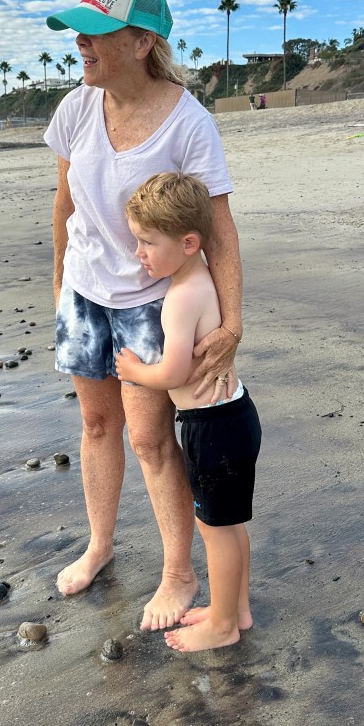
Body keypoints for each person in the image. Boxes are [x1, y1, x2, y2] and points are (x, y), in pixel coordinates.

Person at [43, 0, 243, 631]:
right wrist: (58, 283)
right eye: (79, 32)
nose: (81, 43)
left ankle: (179, 572)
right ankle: (99, 545)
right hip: (84, 290)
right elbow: (65, 204)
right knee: (97, 425)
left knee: (150, 439)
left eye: (96, 32)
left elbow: (218, 229)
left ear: (141, 42)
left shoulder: (189, 123)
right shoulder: (76, 108)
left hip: (150, 300)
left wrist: (233, 323)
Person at [116, 173, 260, 653]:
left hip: (211, 429)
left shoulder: (180, 298)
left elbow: (174, 372)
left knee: (215, 529)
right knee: (229, 525)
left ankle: (223, 625)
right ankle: (234, 609)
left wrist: (136, 371)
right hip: (233, 416)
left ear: (188, 243)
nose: (138, 253)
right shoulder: (201, 279)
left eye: (147, 242)